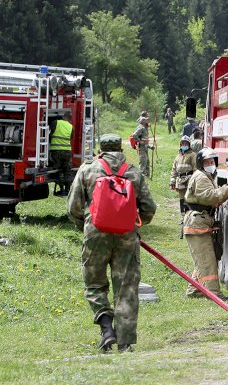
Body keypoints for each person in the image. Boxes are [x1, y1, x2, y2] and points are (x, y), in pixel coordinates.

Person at [67, 134, 157, 353]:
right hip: (127, 237)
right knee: (126, 287)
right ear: (120, 149)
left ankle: (107, 329)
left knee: (95, 284)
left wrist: (88, 225)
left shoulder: (88, 170)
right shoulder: (133, 172)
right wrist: (132, 225)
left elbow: (73, 207)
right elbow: (149, 208)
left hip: (95, 235)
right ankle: (125, 343)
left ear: (101, 150)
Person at [183, 147, 228, 298]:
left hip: (201, 221)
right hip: (197, 222)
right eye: (207, 162)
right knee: (208, 260)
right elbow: (211, 197)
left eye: (212, 161)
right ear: (200, 163)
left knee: (203, 258)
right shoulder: (201, 177)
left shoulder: (206, 176)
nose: (211, 164)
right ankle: (214, 294)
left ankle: (194, 290)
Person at [170, 135, 197, 214]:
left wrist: (193, 180)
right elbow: (174, 169)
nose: (184, 145)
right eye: (183, 143)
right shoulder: (178, 156)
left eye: (186, 144)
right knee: (182, 199)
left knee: (189, 198)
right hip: (180, 181)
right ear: (180, 144)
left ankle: (189, 216)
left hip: (189, 180)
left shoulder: (192, 155)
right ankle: (183, 216)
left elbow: (195, 168)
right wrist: (172, 181)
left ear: (189, 145)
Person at [49, 110, 73, 196]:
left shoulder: (56, 122)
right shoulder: (71, 126)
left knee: (59, 170)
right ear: (70, 119)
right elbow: (71, 137)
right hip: (67, 152)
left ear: (63, 117)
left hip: (56, 151)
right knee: (67, 171)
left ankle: (61, 189)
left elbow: (50, 134)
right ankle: (67, 190)